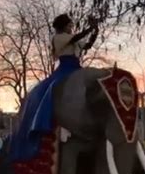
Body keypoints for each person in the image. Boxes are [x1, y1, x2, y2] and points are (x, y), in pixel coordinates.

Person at [10, 14, 99, 161]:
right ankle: (49, 119)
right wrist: (90, 28)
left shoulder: (72, 39)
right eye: (70, 25)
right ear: (63, 26)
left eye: (72, 26)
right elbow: (75, 38)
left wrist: (95, 31)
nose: (71, 27)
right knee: (52, 89)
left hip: (77, 68)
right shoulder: (59, 38)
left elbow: (87, 45)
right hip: (65, 68)